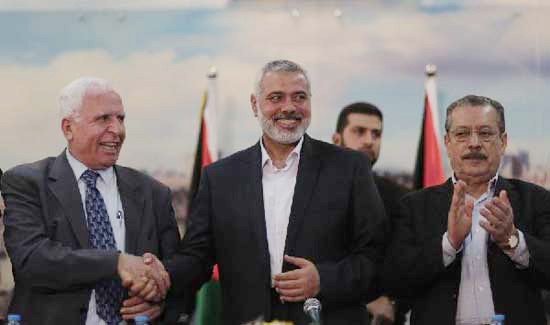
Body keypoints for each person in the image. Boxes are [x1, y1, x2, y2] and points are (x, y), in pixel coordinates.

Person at [166, 60, 387, 325]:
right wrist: (160, 276)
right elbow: (196, 258)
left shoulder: (350, 168)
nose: (289, 107)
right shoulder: (220, 177)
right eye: (276, 97)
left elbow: (377, 257)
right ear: (254, 105)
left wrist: (323, 279)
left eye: (299, 97)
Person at [1, 77, 178, 324]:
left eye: (121, 119)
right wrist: (117, 262)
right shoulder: (27, 183)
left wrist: (160, 302)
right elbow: (32, 260)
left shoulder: (154, 192)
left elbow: (177, 271)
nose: (117, 130)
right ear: (68, 128)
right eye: (104, 119)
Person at [383, 95, 550, 325]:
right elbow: (395, 282)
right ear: (447, 143)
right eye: (462, 134)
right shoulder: (413, 207)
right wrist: (449, 244)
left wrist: (513, 240)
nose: (474, 143)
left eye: (485, 133)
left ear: (503, 142)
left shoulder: (536, 199)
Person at [333, 102, 409, 325]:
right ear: (336, 139)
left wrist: (391, 302)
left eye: (376, 133)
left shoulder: (401, 198)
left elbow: (408, 265)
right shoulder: (309, 191)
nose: (369, 140)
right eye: (359, 131)